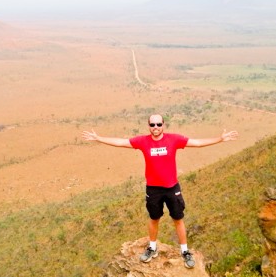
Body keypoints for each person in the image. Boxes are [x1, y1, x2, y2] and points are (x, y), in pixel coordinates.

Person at [81, 114, 238, 268]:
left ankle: (185, 251)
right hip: (153, 189)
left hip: (172, 188)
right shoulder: (143, 141)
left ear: (164, 125)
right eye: (152, 125)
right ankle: (152, 247)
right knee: (154, 218)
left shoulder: (174, 139)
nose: (155, 127)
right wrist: (99, 138)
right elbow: (121, 142)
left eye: (158, 124)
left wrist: (220, 139)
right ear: (148, 126)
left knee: (178, 219)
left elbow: (196, 142)